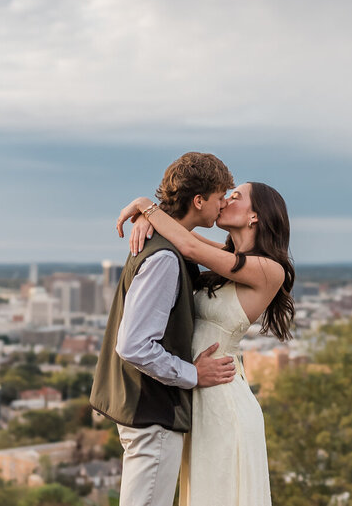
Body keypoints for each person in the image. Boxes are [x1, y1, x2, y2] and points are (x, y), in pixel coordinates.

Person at [116, 180, 295, 506]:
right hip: (197, 391)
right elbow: (184, 236)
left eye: (236, 196)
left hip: (223, 400)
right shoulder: (227, 258)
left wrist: (146, 204)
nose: (226, 200)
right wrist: (150, 219)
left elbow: (190, 247)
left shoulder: (270, 270)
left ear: (255, 216)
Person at [89, 152, 239, 506]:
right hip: (152, 414)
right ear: (199, 200)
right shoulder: (165, 258)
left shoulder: (165, 244)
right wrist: (192, 374)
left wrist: (147, 209)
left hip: (144, 409)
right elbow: (134, 345)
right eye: (220, 197)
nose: (222, 206)